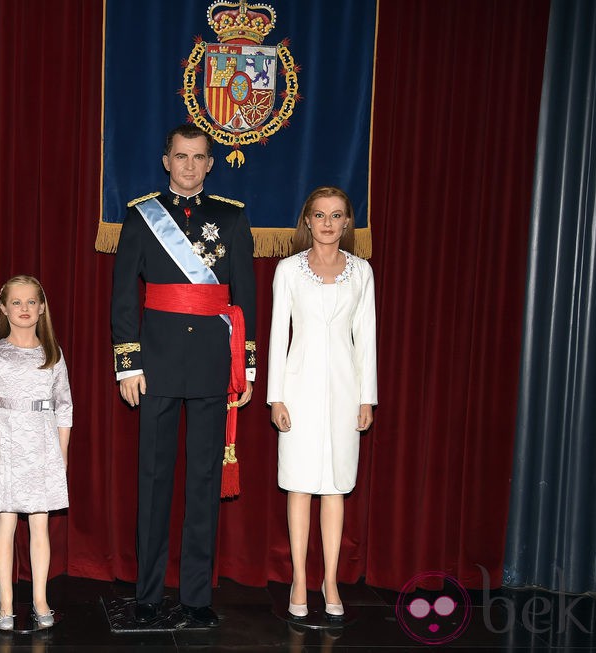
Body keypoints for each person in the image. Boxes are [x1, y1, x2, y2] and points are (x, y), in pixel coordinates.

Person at [111, 124, 256, 627]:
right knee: (153, 481)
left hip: (214, 365)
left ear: (210, 163)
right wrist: (128, 362)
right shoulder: (141, 216)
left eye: (198, 157)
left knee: (203, 481)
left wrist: (247, 363)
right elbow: (125, 296)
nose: (190, 166)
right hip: (157, 364)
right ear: (166, 160)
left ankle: (196, 597)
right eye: (181, 156)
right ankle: (148, 595)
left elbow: (245, 296)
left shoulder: (232, 218)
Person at [266, 186, 377, 621]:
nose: (328, 223)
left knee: (335, 487)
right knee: (299, 485)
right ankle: (299, 579)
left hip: (346, 390)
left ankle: (330, 580)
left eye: (336, 215)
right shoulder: (288, 270)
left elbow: (366, 339)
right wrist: (276, 396)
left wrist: (367, 397)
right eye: (319, 215)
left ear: (347, 222)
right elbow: (279, 335)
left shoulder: (362, 272)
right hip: (298, 389)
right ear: (306, 221)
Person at [0, 275, 72, 631]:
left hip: (42, 446)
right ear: (3, 309)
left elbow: (65, 408)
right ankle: (6, 603)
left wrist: (61, 455)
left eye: (31, 302)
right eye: (16, 302)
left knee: (40, 526)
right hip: (4, 445)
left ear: (42, 307)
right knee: (6, 523)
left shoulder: (53, 355)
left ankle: (41, 598)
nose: (24, 308)